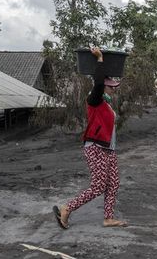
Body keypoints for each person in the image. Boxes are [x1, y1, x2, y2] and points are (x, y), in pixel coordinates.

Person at [53, 47, 127, 229]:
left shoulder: (107, 104)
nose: (114, 89)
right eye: (112, 87)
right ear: (103, 87)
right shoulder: (94, 100)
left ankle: (108, 218)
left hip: (109, 149)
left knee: (114, 183)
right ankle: (67, 208)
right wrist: (100, 59)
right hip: (96, 147)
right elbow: (99, 84)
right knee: (98, 186)